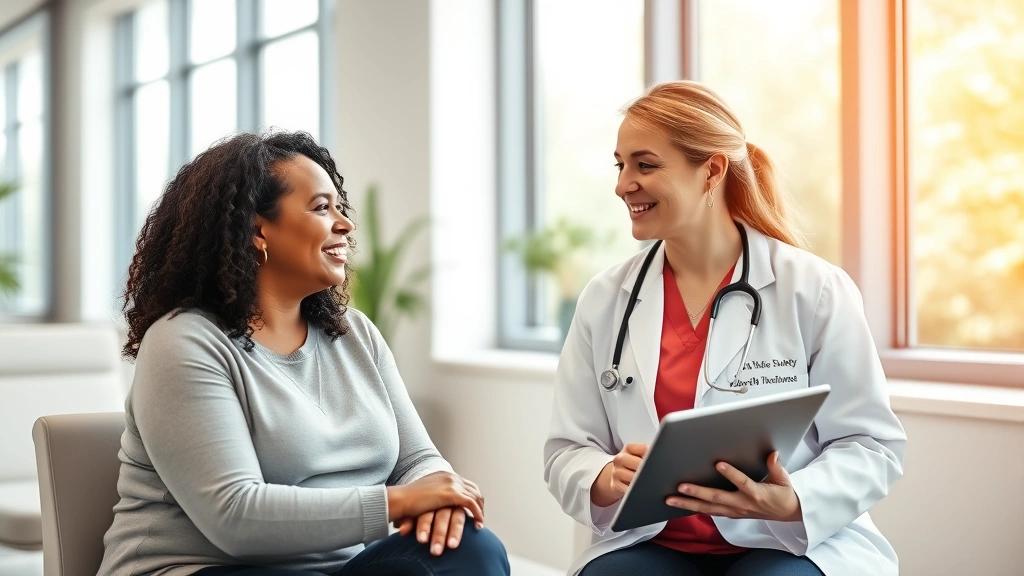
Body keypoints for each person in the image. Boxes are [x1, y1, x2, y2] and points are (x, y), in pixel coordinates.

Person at [98, 131, 510, 576]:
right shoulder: (185, 341)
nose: (345, 224)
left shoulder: (357, 335)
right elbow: (235, 517)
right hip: (202, 569)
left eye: (339, 207)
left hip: (336, 571)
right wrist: (404, 501)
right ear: (257, 230)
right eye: (320, 208)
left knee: (472, 547)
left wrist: (437, 493)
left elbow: (415, 459)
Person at [543, 81, 907, 576]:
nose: (623, 183)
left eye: (645, 165)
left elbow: (871, 444)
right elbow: (568, 449)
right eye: (620, 164)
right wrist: (602, 475)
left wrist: (793, 499)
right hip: (652, 544)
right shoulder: (606, 299)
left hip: (783, 542)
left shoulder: (813, 288)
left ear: (712, 170)